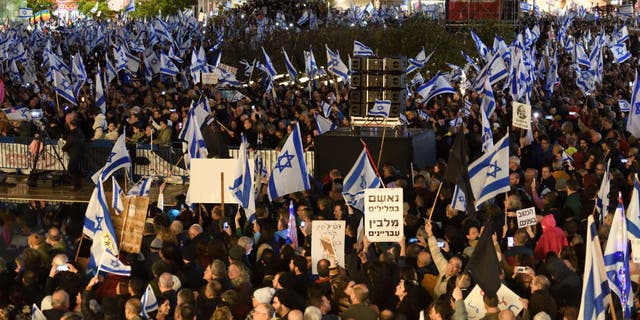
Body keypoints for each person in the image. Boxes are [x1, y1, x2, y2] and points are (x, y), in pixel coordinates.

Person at [62, 118, 85, 191]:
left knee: (72, 170)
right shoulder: (80, 133)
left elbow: (69, 143)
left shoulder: (72, 134)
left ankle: (76, 186)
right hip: (79, 153)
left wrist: (63, 148)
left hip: (73, 154)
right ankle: (78, 185)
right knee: (77, 171)